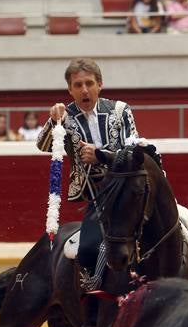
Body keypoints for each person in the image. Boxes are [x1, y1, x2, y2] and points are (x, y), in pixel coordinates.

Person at [36, 58, 139, 295]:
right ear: (70, 90)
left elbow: (133, 152)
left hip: (128, 192)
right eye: (78, 85)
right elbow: (43, 145)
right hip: (98, 197)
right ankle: (93, 312)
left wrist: (101, 156)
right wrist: (53, 120)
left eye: (89, 83)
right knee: (89, 249)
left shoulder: (120, 110)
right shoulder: (65, 117)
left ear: (100, 85)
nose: (84, 90)